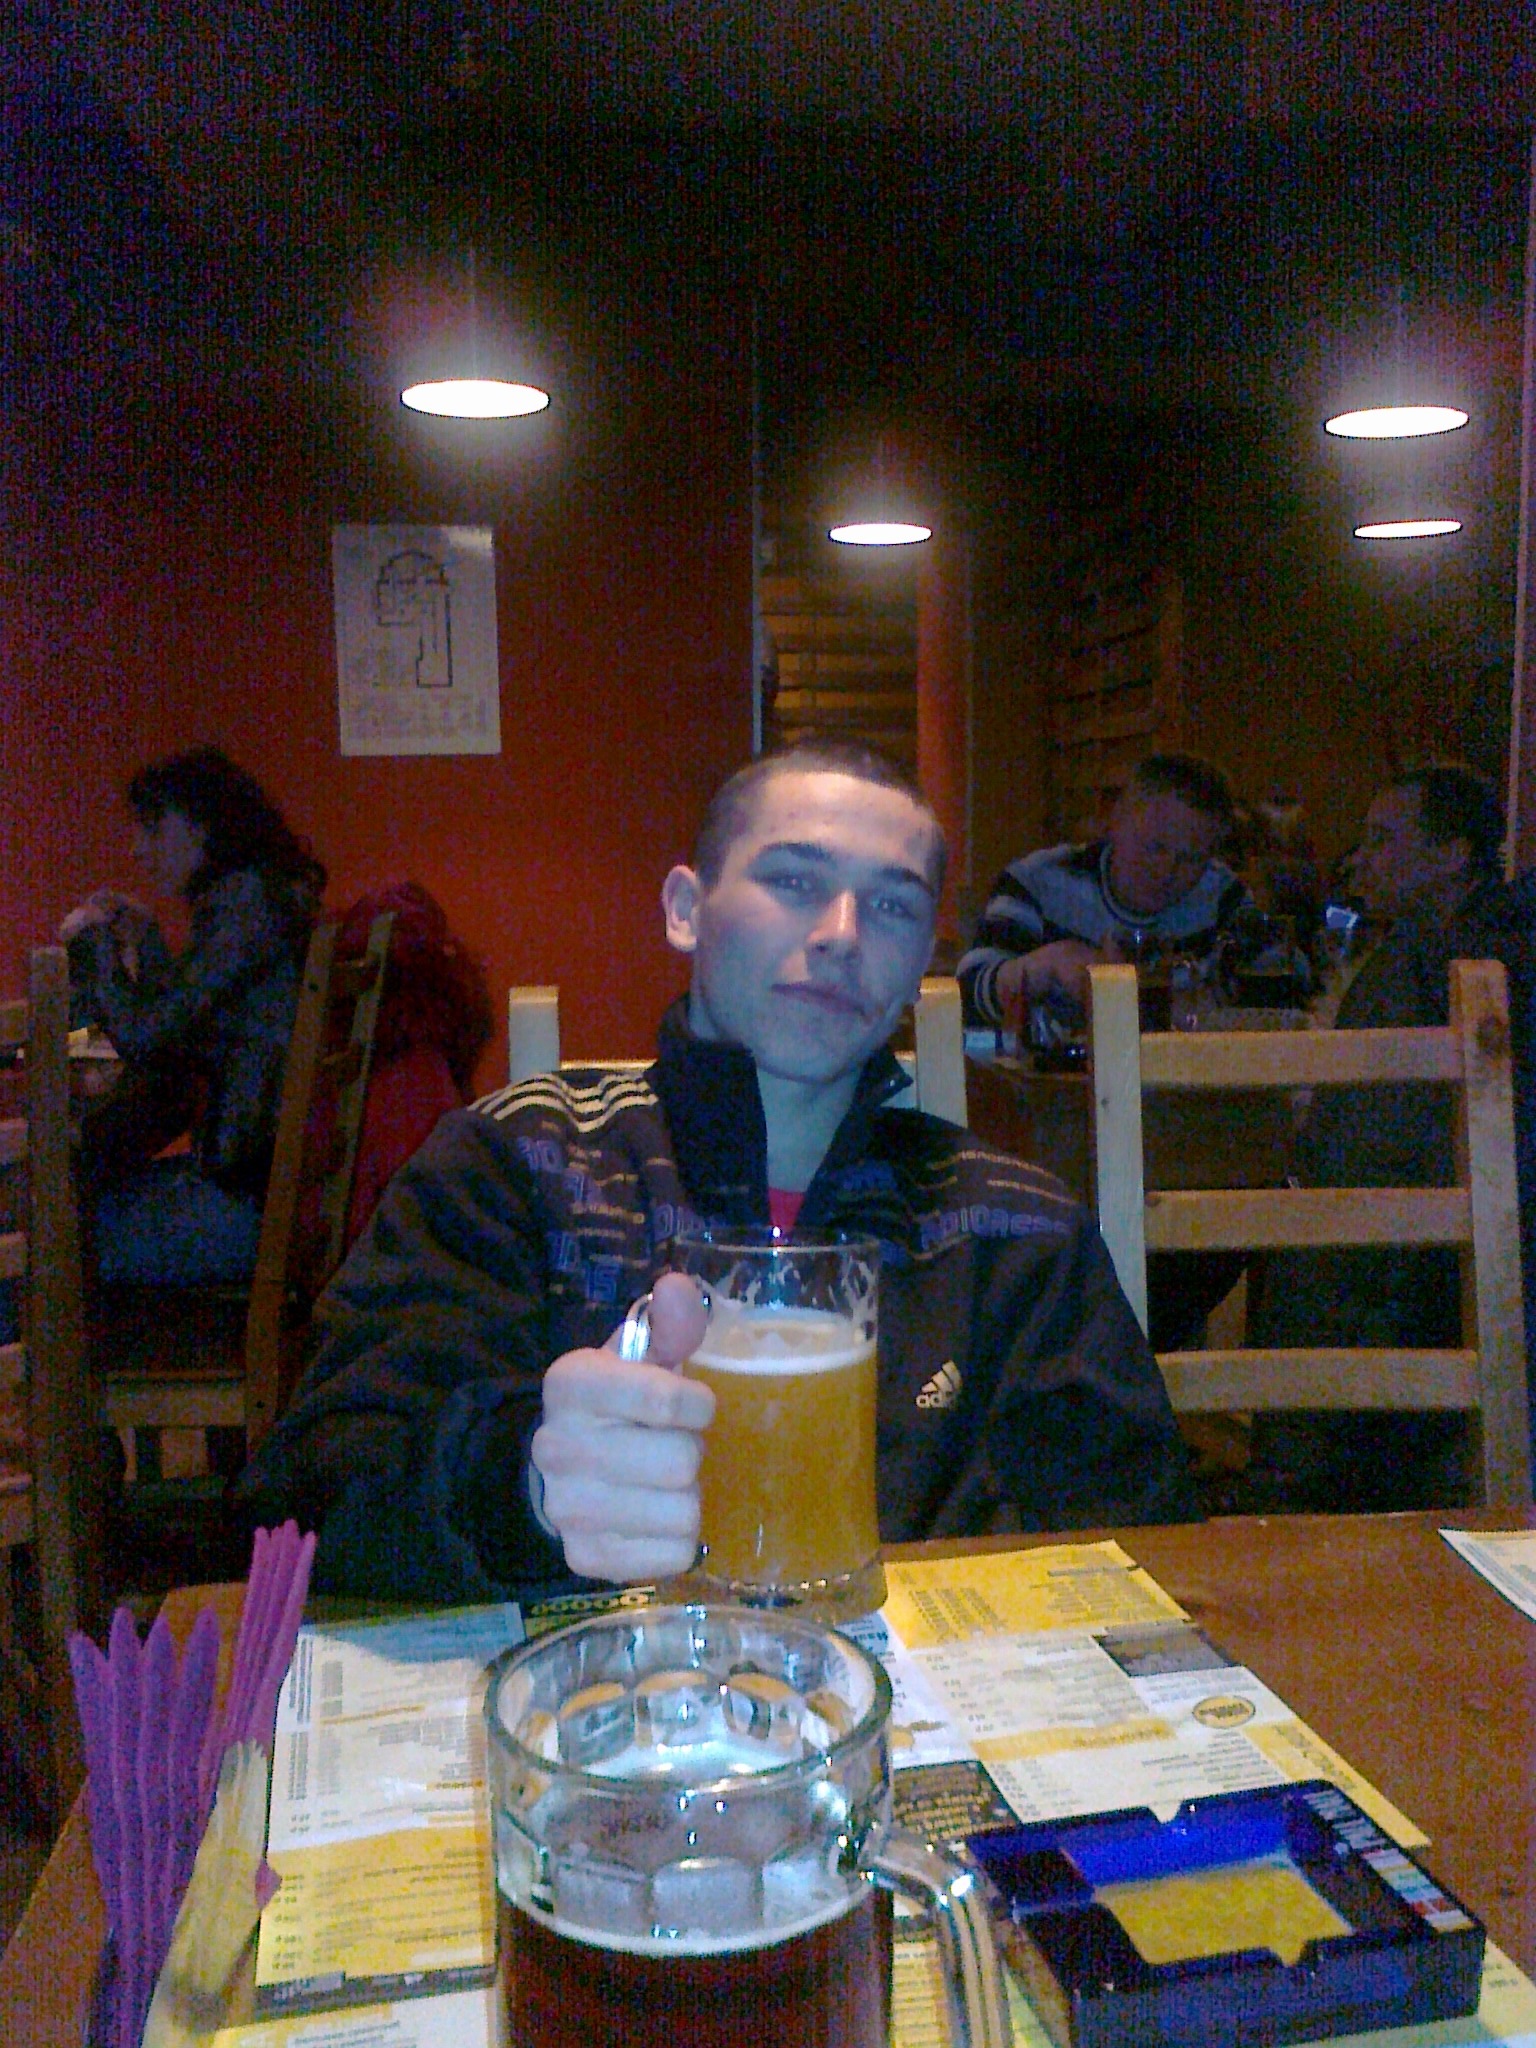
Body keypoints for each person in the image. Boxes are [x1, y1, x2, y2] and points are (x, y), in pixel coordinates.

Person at [241, 744, 1197, 1602]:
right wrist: (523, 1483)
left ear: (921, 964)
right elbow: (310, 1493)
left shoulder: (1017, 1230)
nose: (842, 932)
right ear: (685, 911)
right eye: (794, 880)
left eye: (894, 904)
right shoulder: (515, 1166)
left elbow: (1142, 1548)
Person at [1243, 763, 1512, 1510]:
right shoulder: (1464, 948)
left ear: (1453, 855)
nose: (1362, 860)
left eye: (1383, 839)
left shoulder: (1429, 967)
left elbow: (1361, 1173)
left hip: (1400, 1322)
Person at [60, 748, 326, 1285]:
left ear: (203, 826)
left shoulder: (247, 904)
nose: (137, 848)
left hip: (242, 1207)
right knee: (71, 1204)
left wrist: (90, 943)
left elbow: (145, 1038)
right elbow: (183, 1027)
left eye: (152, 827)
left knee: (48, 1236)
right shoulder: (264, 896)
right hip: (262, 1191)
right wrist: (148, 938)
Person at [957, 752, 1252, 1035]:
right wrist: (1046, 964)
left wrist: (1216, 1009)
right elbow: (962, 1000)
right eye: (1154, 847)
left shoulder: (1225, 898)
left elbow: (1276, 1000)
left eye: (1191, 859)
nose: (1166, 871)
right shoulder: (1039, 882)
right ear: (1115, 821)